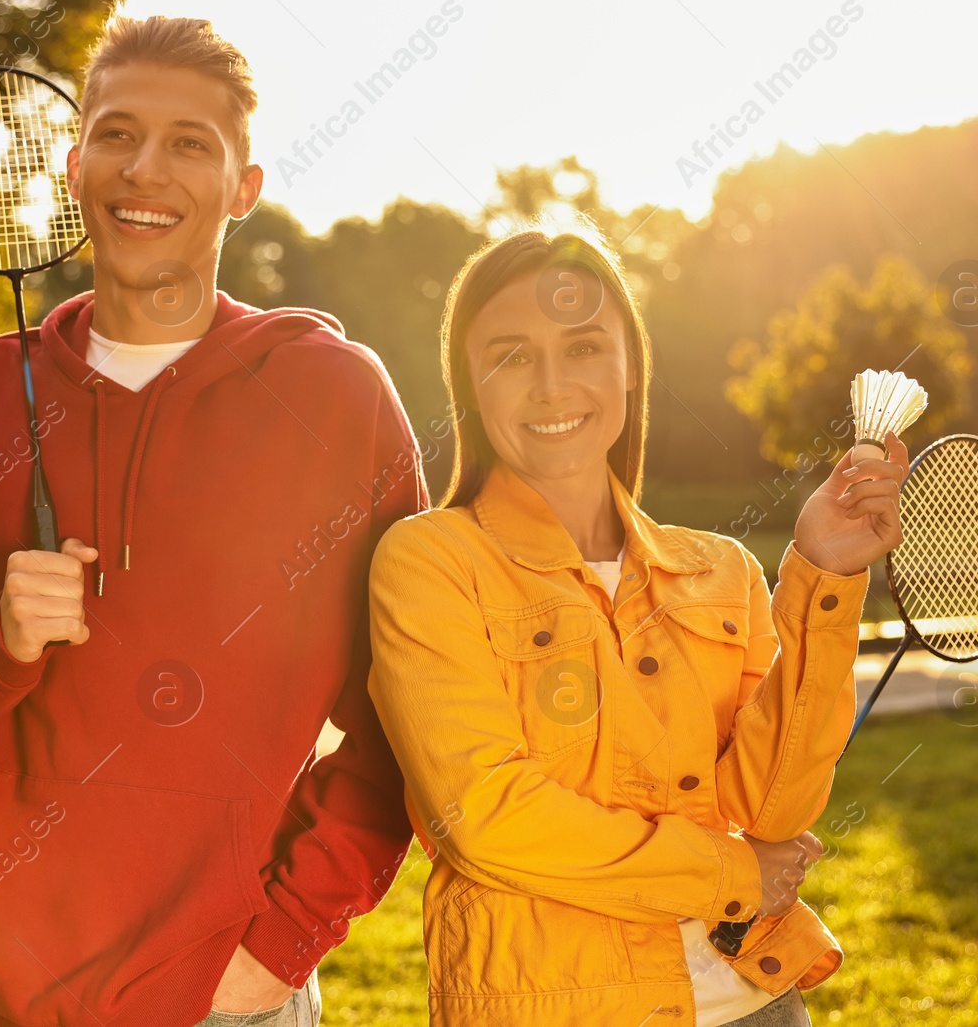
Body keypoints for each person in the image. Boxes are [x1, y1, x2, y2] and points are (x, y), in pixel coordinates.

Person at [0, 15, 428, 1027]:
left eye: (189, 144)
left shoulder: (334, 396)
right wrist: (0, 636)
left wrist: (279, 943)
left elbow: (410, 710)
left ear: (243, 188)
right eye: (116, 134)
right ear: (74, 166)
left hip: (228, 989)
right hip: (12, 982)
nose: (144, 169)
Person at [365, 220, 907, 1026]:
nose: (552, 384)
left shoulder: (720, 569)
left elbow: (774, 809)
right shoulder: (428, 561)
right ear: (469, 385)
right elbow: (485, 815)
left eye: (584, 347)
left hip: (757, 1000)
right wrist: (729, 872)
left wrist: (827, 573)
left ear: (629, 370)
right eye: (512, 354)